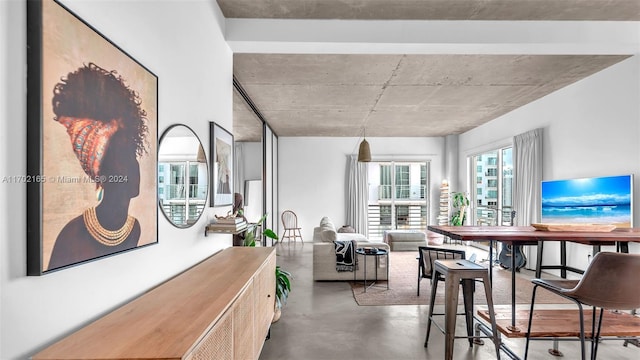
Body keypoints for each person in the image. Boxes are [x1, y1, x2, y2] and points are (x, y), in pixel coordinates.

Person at [48, 63, 149, 270]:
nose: (133, 166)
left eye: (132, 155)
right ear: (100, 175)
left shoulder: (133, 229)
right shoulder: (72, 237)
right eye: (122, 158)